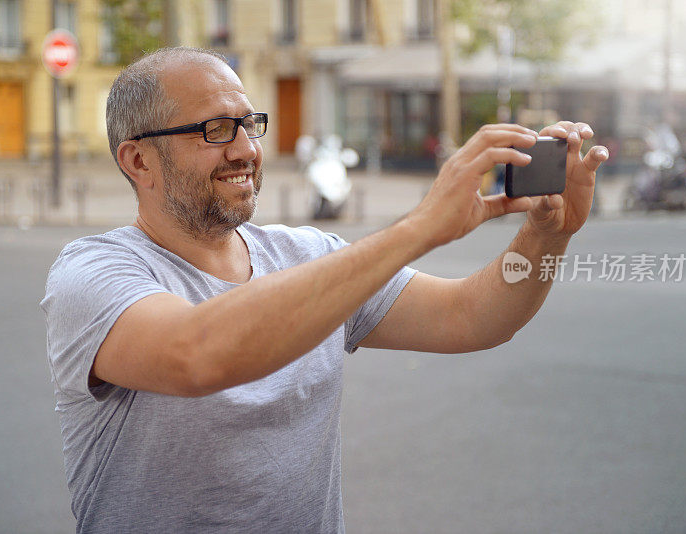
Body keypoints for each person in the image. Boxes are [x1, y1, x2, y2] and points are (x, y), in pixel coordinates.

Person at [41, 47, 608, 533]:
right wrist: (419, 226)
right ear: (138, 159)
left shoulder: (308, 256)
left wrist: (544, 237)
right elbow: (198, 354)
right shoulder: (92, 273)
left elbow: (471, 317)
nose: (245, 149)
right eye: (214, 130)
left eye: (249, 123)